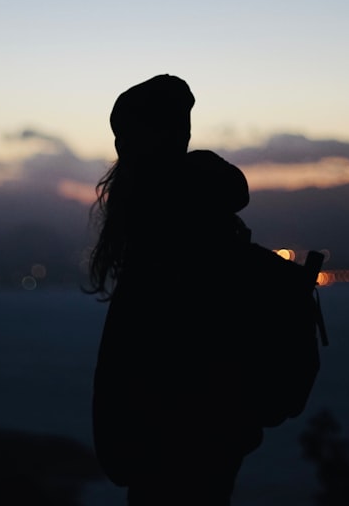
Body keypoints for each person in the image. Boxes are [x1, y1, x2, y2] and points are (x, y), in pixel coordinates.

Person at [87, 74, 315, 505]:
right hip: (211, 455)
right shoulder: (207, 227)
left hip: (169, 466)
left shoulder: (165, 242)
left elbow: (135, 366)